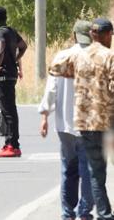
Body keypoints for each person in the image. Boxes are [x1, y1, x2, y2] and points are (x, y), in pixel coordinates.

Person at [50, 18, 114, 220]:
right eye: (111, 34)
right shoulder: (109, 56)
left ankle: (103, 213)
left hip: (85, 123)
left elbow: (55, 68)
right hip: (106, 122)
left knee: (95, 171)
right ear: (104, 35)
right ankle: (101, 212)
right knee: (97, 170)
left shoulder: (77, 56)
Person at [39, 20, 94, 220]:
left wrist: (44, 116)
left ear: (74, 35)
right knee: (88, 170)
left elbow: (51, 90)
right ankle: (85, 212)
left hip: (65, 126)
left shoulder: (62, 57)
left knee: (68, 169)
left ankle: (67, 213)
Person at [0, 6, 27, 158]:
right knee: (10, 110)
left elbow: (0, 49)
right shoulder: (11, 31)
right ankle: (10, 144)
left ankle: (12, 145)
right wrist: (15, 59)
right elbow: (23, 46)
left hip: (4, 75)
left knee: (7, 111)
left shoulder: (0, 32)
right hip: (11, 74)